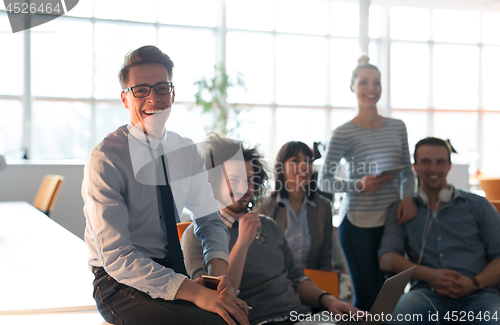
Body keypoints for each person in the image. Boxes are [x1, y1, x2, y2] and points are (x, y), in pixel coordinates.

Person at [81, 45, 249, 325]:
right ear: (125, 98)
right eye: (140, 90)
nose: (153, 98)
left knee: (234, 312)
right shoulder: (106, 159)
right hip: (118, 281)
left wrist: (219, 278)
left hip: (173, 270)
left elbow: (210, 222)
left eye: (161, 88)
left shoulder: (184, 150)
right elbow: (118, 257)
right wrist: (195, 293)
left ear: (172, 94)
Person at [182, 135, 360, 325]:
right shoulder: (196, 235)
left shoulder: (267, 225)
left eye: (250, 180)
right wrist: (243, 242)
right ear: (213, 183)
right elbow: (217, 301)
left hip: (304, 317)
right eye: (234, 180)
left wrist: (329, 300)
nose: (244, 188)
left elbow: (296, 278)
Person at [317, 55, 416, 310]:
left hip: (394, 224)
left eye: (376, 82)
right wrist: (359, 185)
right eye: (364, 82)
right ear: (352, 87)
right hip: (358, 226)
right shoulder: (343, 132)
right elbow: (324, 181)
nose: (371, 89)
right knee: (368, 298)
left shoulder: (397, 127)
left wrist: (407, 197)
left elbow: (407, 171)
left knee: (392, 297)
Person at [378, 137, 500, 325]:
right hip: (426, 295)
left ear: (449, 166)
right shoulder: (403, 209)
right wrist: (429, 275)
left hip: (480, 295)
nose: (433, 169)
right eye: (426, 162)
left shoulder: (478, 205)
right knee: (398, 317)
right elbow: (387, 259)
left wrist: (473, 283)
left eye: (440, 162)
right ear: (415, 166)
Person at [256, 141, 334, 271]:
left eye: (308, 161)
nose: (304, 166)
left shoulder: (323, 207)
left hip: (313, 285)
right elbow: (260, 259)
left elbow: (325, 259)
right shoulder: (264, 208)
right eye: (295, 161)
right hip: (276, 285)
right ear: (281, 167)